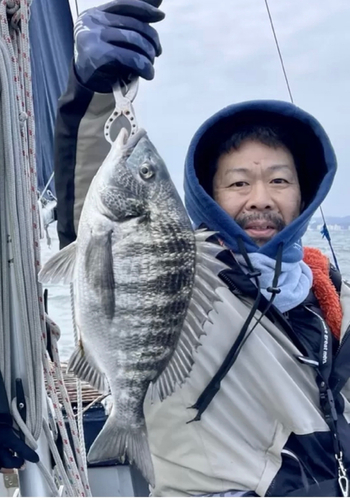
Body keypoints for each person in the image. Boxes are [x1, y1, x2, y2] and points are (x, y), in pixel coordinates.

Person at [54, 0, 350, 496]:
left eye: (279, 180)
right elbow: (95, 224)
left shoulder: (329, 300)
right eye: (237, 183)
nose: (260, 199)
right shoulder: (189, 276)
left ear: (306, 192)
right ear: (208, 196)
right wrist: (93, 91)